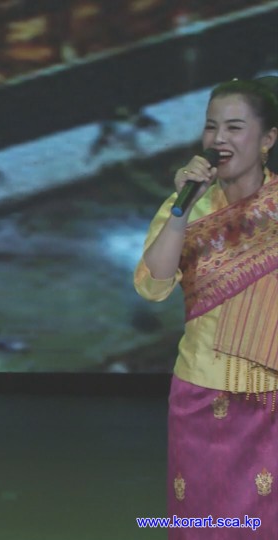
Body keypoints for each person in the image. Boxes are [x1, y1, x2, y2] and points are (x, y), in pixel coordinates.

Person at [134, 76, 277, 538]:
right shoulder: (185, 207)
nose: (219, 139)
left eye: (235, 128)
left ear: (268, 139)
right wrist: (183, 208)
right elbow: (152, 286)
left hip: (272, 397)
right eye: (212, 127)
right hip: (200, 393)